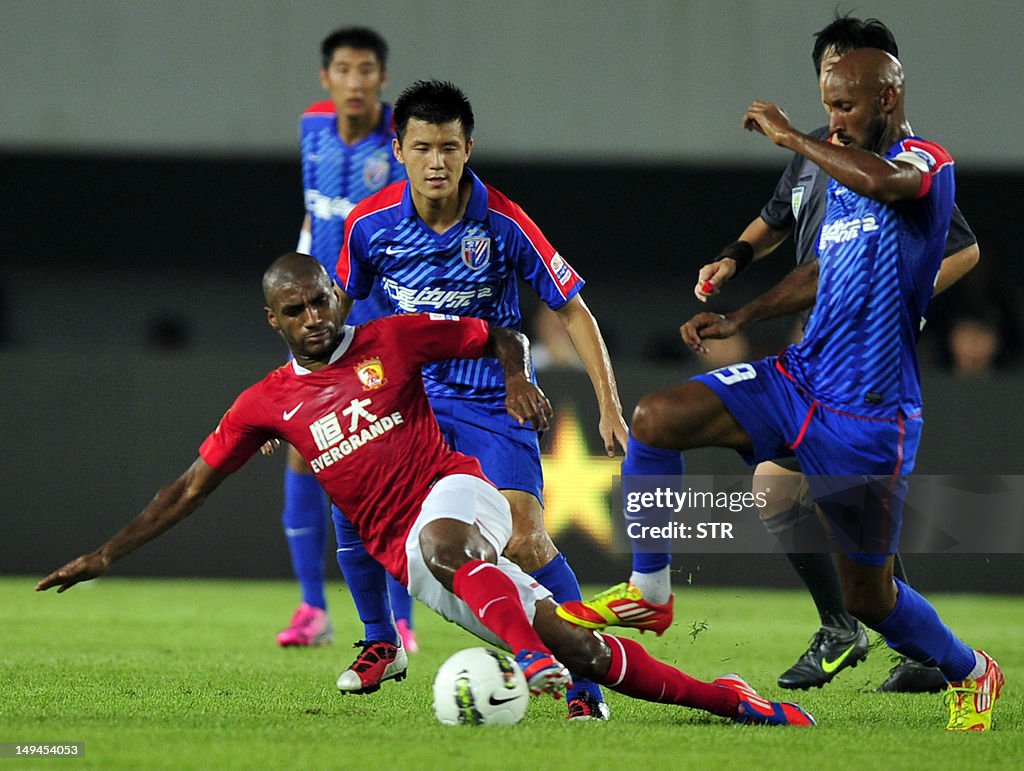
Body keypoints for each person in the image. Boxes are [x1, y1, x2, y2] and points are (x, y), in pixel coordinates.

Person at [36, 253, 815, 730]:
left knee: (454, 549)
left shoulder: (392, 338)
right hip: (410, 558)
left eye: (321, 300)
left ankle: (526, 659)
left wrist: (514, 376)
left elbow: (496, 333)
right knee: (582, 648)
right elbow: (188, 488)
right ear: (271, 318)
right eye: (294, 309)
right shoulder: (263, 403)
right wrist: (105, 553)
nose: (313, 316)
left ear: (338, 297)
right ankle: (730, 700)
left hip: (455, 491)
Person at [560, 49, 1003, 731]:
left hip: (868, 414)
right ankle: (650, 590)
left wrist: (791, 136)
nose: (833, 121)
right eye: (826, 107)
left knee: (871, 598)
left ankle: (972, 669)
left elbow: (891, 186)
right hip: (799, 378)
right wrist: (741, 314)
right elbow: (823, 268)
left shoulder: (925, 163)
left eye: (845, 107)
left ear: (887, 99)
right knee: (655, 417)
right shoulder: (847, 172)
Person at [333, 80, 629, 719]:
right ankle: (382, 641)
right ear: (399, 150)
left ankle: (586, 686)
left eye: (447, 147)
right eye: (421, 148)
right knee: (350, 492)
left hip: (497, 402)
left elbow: (573, 311)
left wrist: (608, 404)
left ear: (468, 148)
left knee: (525, 542)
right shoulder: (368, 225)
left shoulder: (504, 222)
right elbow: (338, 312)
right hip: (415, 403)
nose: (435, 162)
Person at [279, 27, 419, 655]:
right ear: (325, 78)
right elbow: (317, 211)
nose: (356, 81)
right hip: (317, 316)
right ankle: (312, 607)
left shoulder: (401, 141)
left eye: (367, 70)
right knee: (303, 450)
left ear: (383, 79)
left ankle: (402, 615)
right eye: (344, 69)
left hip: (376, 316)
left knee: (387, 457)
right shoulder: (311, 126)